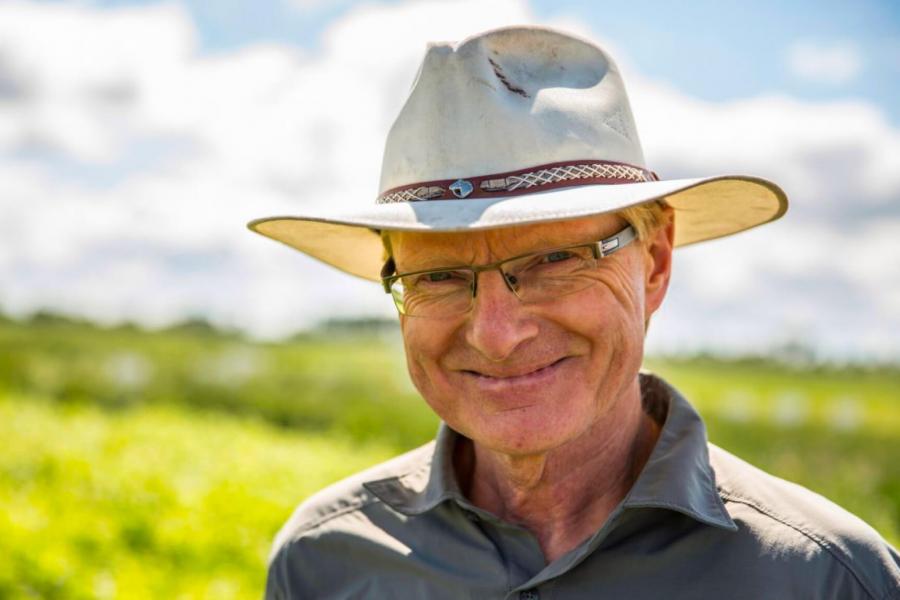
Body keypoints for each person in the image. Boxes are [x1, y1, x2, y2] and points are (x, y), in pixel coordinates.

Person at [250, 25, 900, 599]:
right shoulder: (323, 564)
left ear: (654, 261)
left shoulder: (829, 579)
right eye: (439, 276)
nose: (497, 335)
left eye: (556, 260)